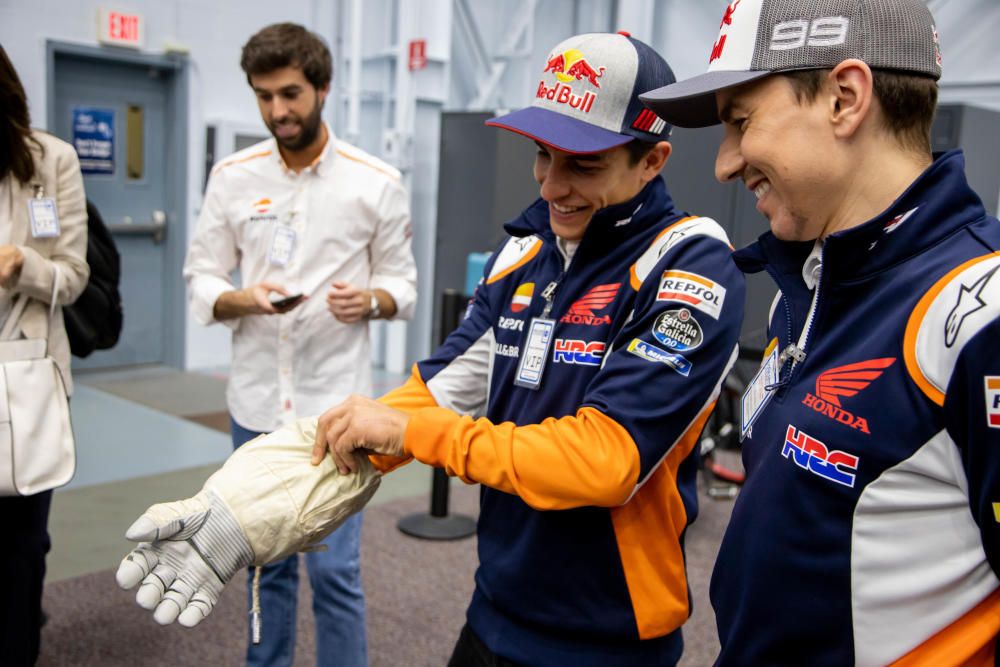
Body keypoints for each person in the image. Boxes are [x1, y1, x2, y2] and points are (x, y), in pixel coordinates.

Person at [313, 32, 745, 665]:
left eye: (583, 164)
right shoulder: (523, 251)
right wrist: (272, 497)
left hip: (609, 636)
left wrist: (414, 435)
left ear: (652, 160)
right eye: (543, 155)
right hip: (494, 607)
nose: (550, 186)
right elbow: (441, 388)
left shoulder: (689, 265)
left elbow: (604, 461)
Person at [640, 0, 1000, 664]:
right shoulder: (811, 282)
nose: (724, 162)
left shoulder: (980, 317)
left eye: (740, 122)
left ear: (844, 98)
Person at [183, 23, 417, 667]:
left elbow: (405, 287)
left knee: (336, 574)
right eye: (264, 97)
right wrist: (242, 297)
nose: (278, 111)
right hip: (255, 406)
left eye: (290, 93)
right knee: (266, 567)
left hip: (338, 411)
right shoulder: (232, 177)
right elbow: (201, 276)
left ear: (323, 87)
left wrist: (368, 300)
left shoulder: (376, 182)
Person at [0, 45, 89, 666]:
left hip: (26, 380)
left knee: (21, 546)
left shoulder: (49, 159)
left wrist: (21, 265)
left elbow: (73, 274)